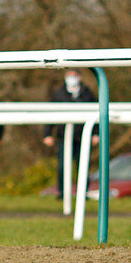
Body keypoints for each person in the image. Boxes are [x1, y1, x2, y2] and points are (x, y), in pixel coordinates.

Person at [43, 69, 100, 198]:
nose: (71, 79)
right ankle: (62, 192)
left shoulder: (87, 93)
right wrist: (48, 133)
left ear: (79, 77)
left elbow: (95, 112)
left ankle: (83, 193)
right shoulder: (58, 93)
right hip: (64, 136)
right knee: (63, 166)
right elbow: (51, 114)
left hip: (83, 136)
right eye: (69, 76)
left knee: (83, 166)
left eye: (74, 76)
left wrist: (96, 133)